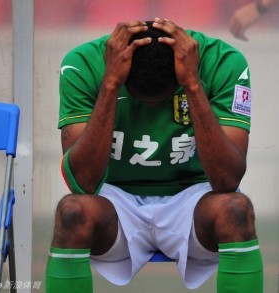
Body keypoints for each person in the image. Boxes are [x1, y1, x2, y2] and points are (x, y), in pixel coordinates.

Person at [46, 18, 263, 292]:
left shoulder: (223, 62)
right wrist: (111, 84)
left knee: (236, 210)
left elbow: (227, 180)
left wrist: (193, 85)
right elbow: (83, 184)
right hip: (115, 197)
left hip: (193, 196)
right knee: (72, 212)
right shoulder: (84, 64)